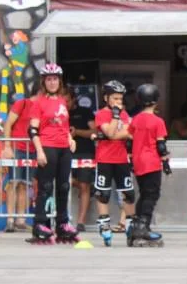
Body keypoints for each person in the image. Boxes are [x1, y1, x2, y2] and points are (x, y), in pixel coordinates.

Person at [28, 64, 79, 244]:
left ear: (59, 81)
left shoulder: (62, 101)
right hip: (47, 146)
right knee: (46, 187)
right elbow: (32, 130)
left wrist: (70, 139)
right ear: (44, 82)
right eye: (49, 79)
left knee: (64, 186)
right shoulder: (38, 102)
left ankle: (62, 224)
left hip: (64, 147)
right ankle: (40, 223)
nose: (52, 82)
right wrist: (39, 151)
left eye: (55, 79)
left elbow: (64, 125)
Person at [92, 80, 135, 247]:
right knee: (103, 194)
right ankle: (104, 224)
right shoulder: (101, 114)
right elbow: (110, 133)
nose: (118, 102)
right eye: (115, 98)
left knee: (128, 194)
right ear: (106, 98)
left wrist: (115, 132)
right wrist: (116, 119)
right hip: (105, 159)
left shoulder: (125, 114)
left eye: (120, 99)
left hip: (122, 159)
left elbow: (130, 133)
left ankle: (130, 224)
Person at [128, 83, 170, 247]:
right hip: (152, 162)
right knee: (152, 195)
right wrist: (165, 162)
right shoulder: (158, 121)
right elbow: (161, 146)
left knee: (144, 194)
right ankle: (143, 227)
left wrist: (131, 159)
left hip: (138, 162)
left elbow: (129, 142)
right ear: (155, 101)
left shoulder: (135, 119)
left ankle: (136, 226)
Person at [2, 91, 38, 232]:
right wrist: (7, 146)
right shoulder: (22, 103)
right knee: (13, 183)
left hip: (33, 149)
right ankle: (10, 220)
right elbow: (8, 124)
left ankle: (20, 220)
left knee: (25, 185)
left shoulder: (43, 106)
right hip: (17, 147)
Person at [68, 86, 96, 231]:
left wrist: (77, 132)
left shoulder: (85, 112)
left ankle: (81, 222)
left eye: (67, 99)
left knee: (85, 185)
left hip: (85, 153)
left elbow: (95, 130)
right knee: (64, 182)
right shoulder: (59, 113)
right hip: (65, 152)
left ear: (74, 99)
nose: (65, 103)